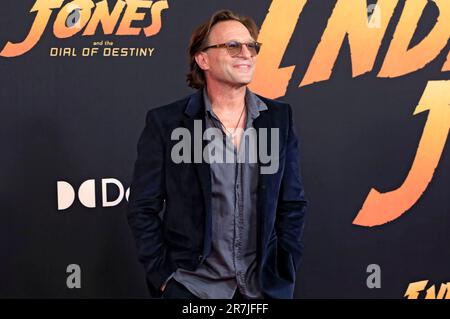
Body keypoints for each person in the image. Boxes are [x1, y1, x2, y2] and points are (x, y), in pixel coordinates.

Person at [127, 9, 308, 299]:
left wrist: (284, 265)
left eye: (252, 46)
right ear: (203, 59)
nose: (246, 54)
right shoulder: (167, 123)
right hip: (192, 288)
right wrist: (163, 277)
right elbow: (142, 207)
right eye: (233, 46)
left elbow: (293, 203)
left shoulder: (278, 118)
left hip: (260, 289)